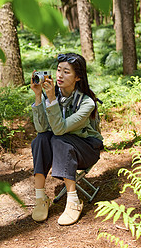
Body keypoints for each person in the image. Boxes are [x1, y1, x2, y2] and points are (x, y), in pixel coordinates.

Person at [30, 53, 103, 226]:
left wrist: (52, 100)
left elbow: (59, 129)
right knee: (40, 139)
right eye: (58, 70)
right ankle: (40, 197)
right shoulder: (53, 95)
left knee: (59, 140)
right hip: (63, 145)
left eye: (66, 72)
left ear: (78, 77)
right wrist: (39, 96)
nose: (60, 75)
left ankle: (73, 200)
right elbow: (42, 129)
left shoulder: (87, 103)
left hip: (87, 149)